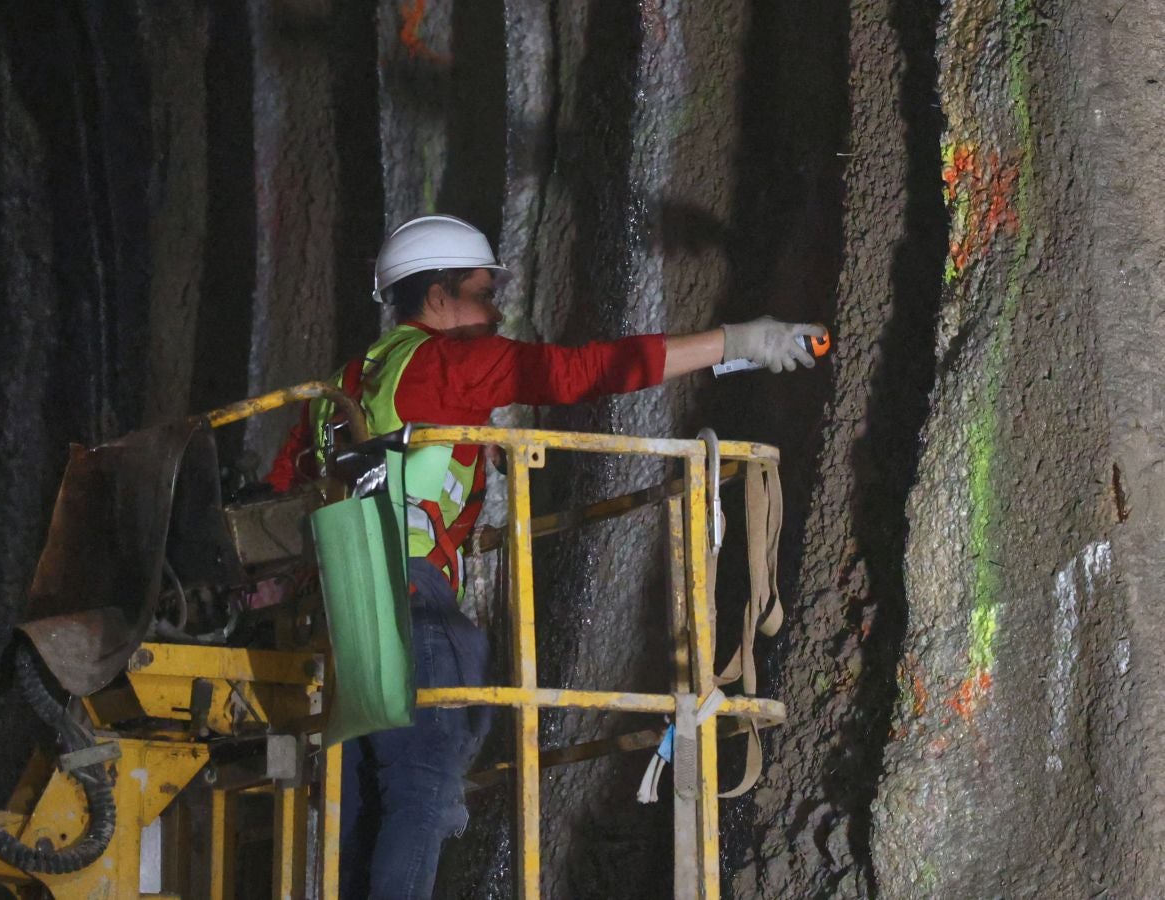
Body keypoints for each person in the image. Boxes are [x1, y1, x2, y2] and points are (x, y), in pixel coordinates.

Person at [265, 215, 824, 899]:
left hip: (338, 617)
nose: (495, 310)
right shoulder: (452, 361)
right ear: (438, 298)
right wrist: (739, 342)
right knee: (423, 788)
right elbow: (580, 371)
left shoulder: (342, 386)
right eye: (480, 292)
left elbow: (278, 494)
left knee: (357, 816)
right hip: (408, 601)